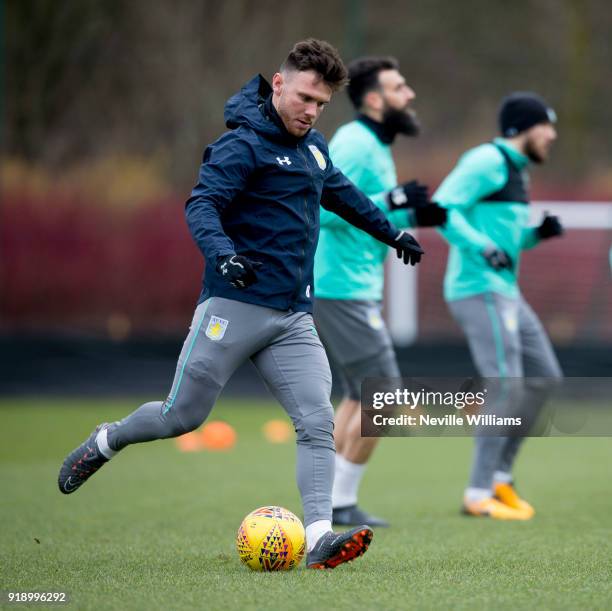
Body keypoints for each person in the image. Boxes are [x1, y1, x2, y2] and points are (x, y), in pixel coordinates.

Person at [57, 39, 426, 569]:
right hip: (233, 306)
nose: (310, 110)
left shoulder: (315, 148)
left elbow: (346, 196)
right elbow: (202, 204)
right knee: (180, 416)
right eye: (303, 97)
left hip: (293, 317)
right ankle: (107, 439)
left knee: (317, 420)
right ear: (278, 84)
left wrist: (394, 234)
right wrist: (224, 255)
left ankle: (320, 534)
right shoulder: (241, 146)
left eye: (321, 104)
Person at [313, 56, 447, 527]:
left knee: (359, 396)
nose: (409, 94)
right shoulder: (355, 141)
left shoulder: (374, 144)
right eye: (399, 86)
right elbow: (323, 209)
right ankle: (338, 503)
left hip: (351, 287)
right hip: (338, 286)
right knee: (385, 397)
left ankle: (329, 500)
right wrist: (391, 202)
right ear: (374, 99)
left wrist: (412, 217)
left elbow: (367, 215)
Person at [433, 92, 564, 520]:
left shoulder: (518, 171)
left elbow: (504, 242)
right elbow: (440, 209)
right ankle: (477, 493)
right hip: (477, 288)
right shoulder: (486, 161)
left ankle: (499, 478)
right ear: (524, 128)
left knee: (544, 377)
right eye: (547, 125)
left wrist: (534, 235)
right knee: (505, 385)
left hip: (504, 289)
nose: (553, 135)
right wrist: (480, 246)